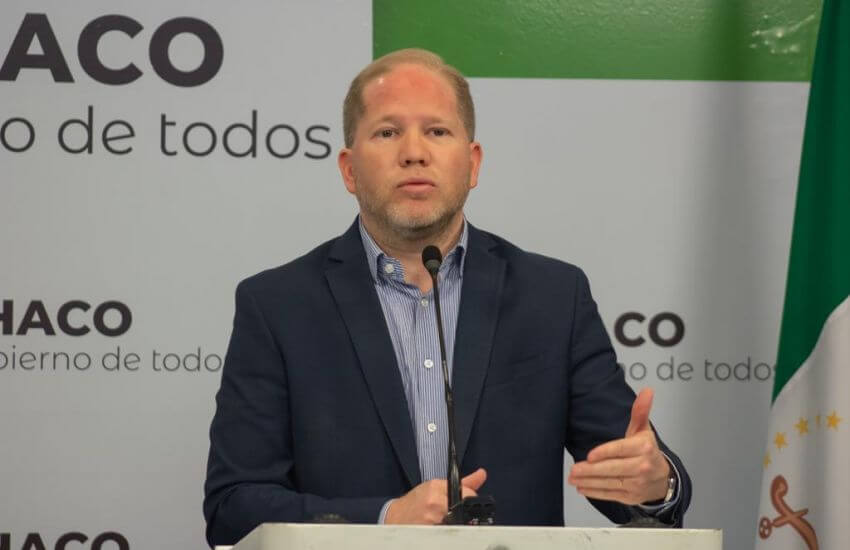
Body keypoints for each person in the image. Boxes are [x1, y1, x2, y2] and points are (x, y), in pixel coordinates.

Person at [203, 48, 691, 546]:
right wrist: (385, 517)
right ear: (349, 170)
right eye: (387, 133)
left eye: (437, 131)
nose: (414, 152)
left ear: (472, 163)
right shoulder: (278, 306)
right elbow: (233, 506)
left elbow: (629, 473)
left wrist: (655, 484)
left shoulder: (553, 298)